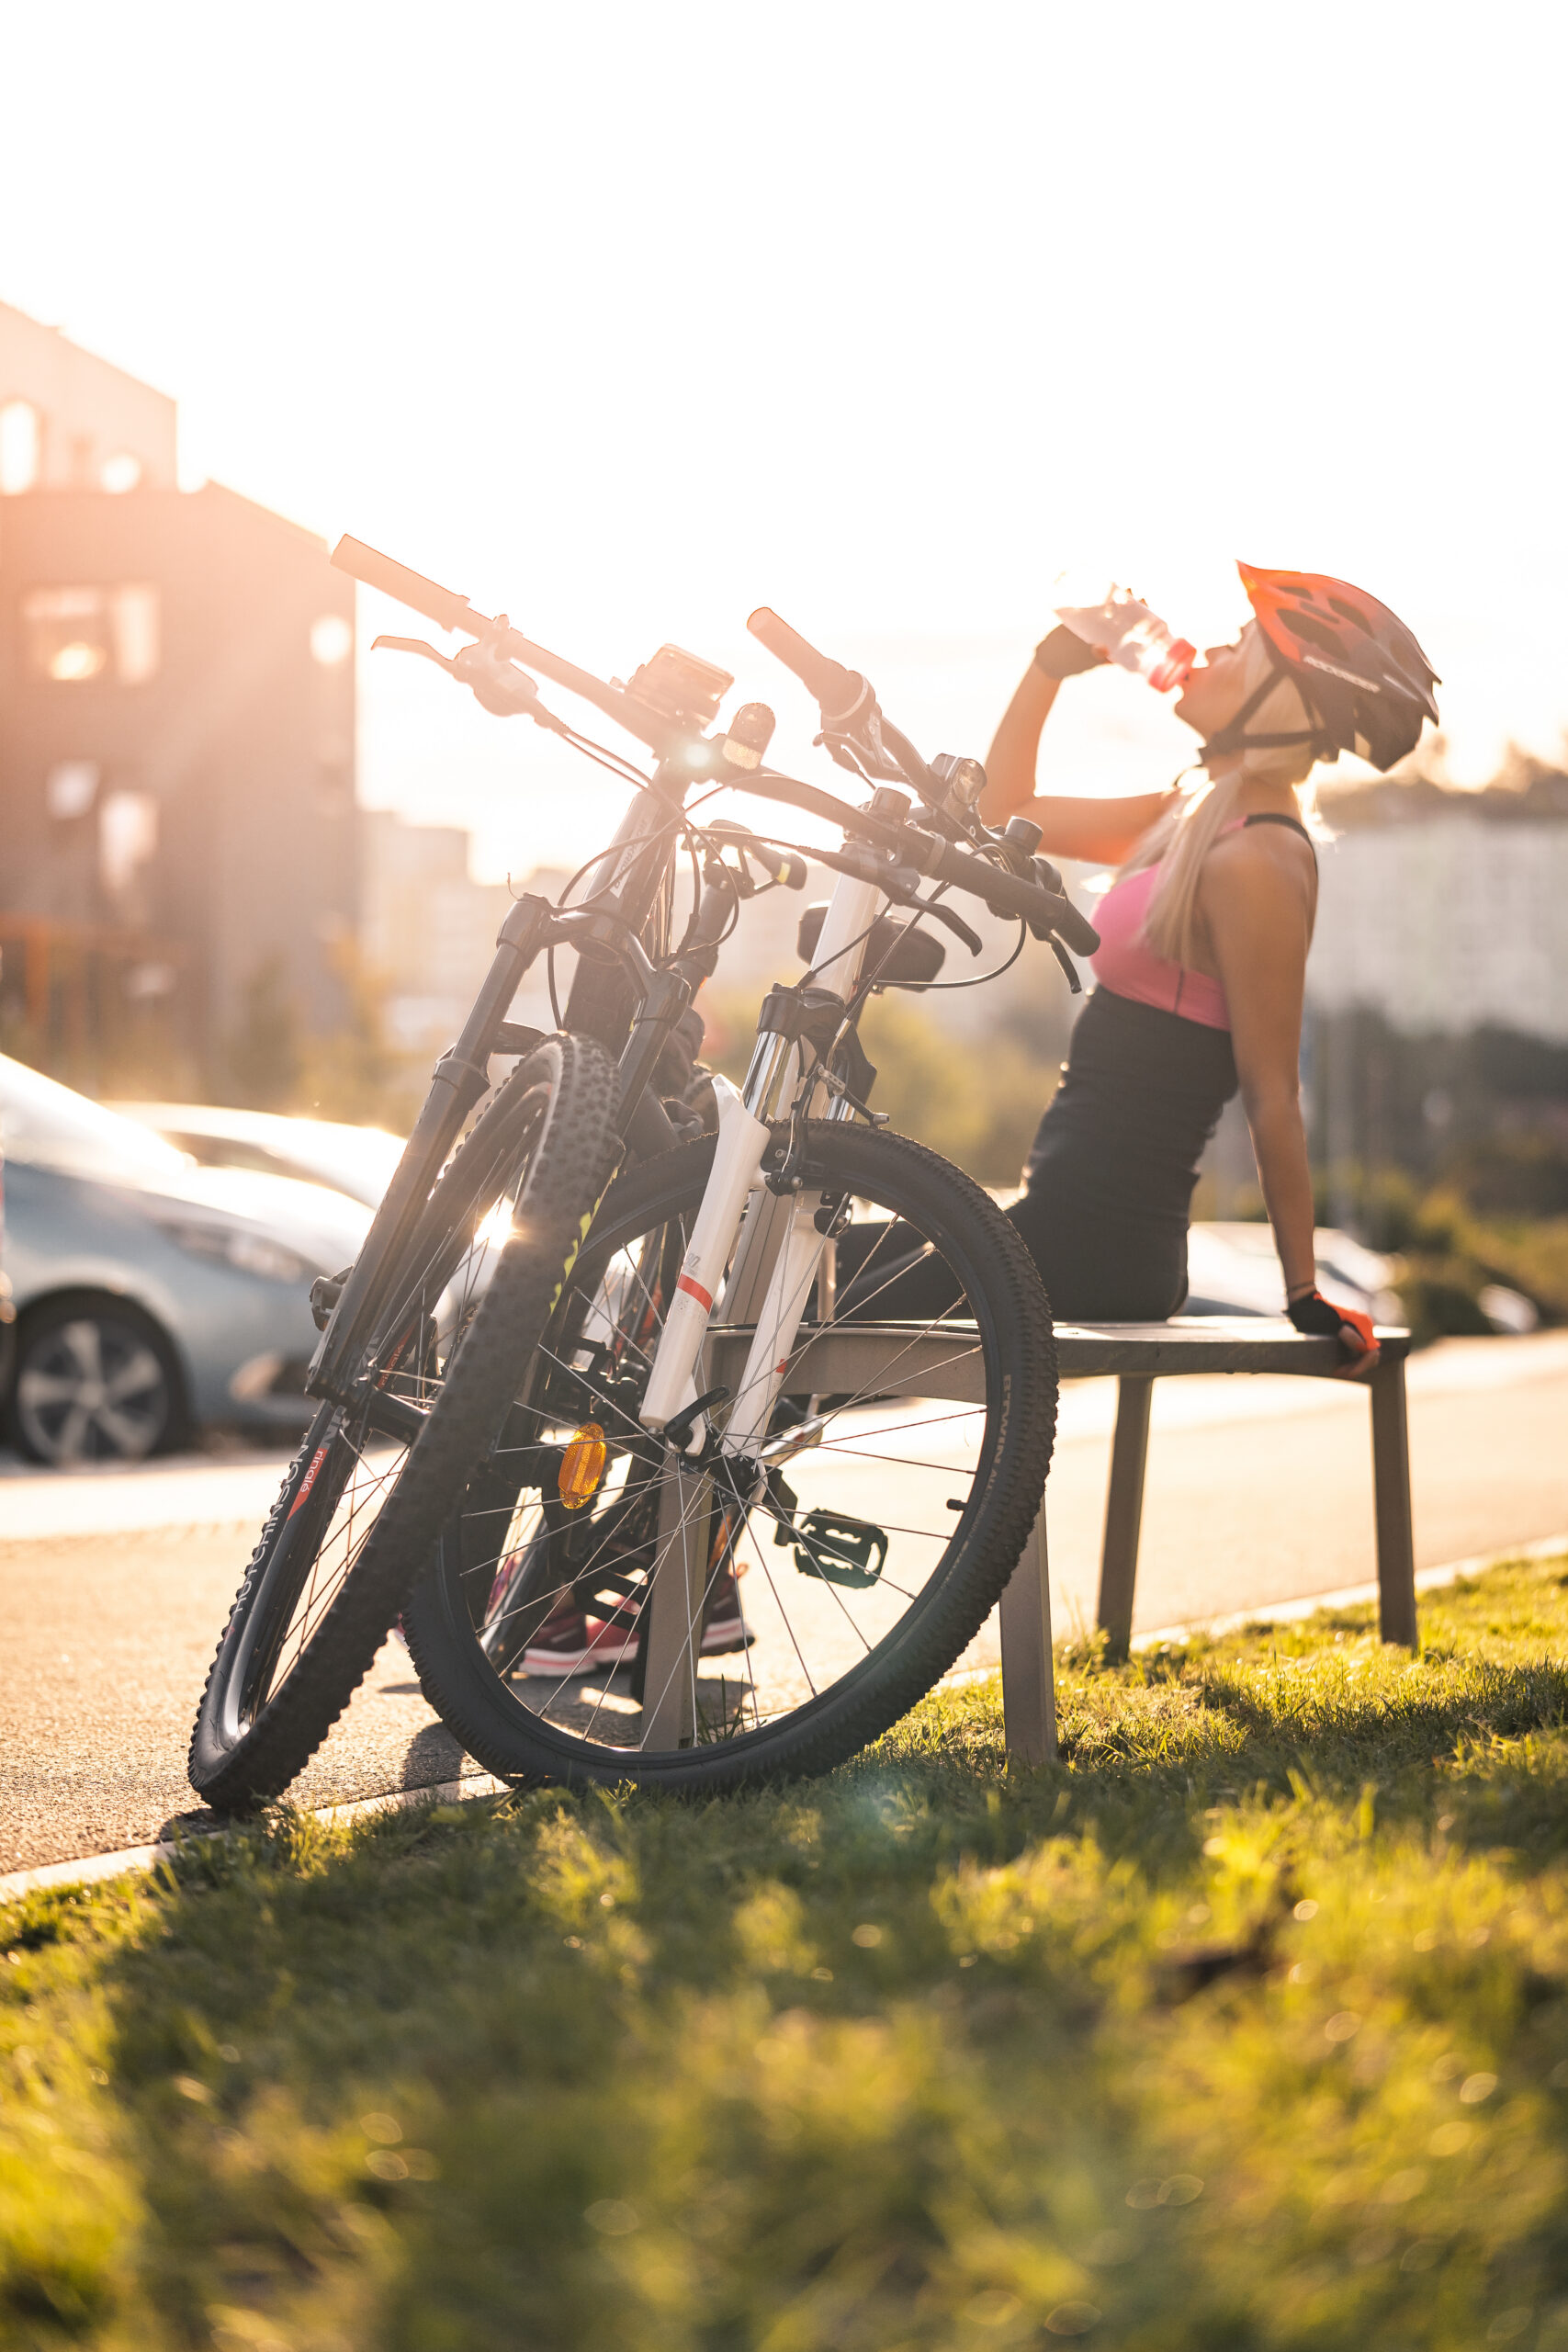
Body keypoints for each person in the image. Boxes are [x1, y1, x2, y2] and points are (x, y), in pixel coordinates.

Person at [976, 562, 1439, 1369]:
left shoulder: (1258, 856)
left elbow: (1272, 1091)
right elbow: (1000, 815)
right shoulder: (1193, 817)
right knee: (797, 1262)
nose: (1210, 651)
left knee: (813, 1282)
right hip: (1055, 1223)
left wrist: (1303, 1294)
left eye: (1240, 649)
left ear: (1275, 704)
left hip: (1094, 1248)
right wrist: (1048, 667)